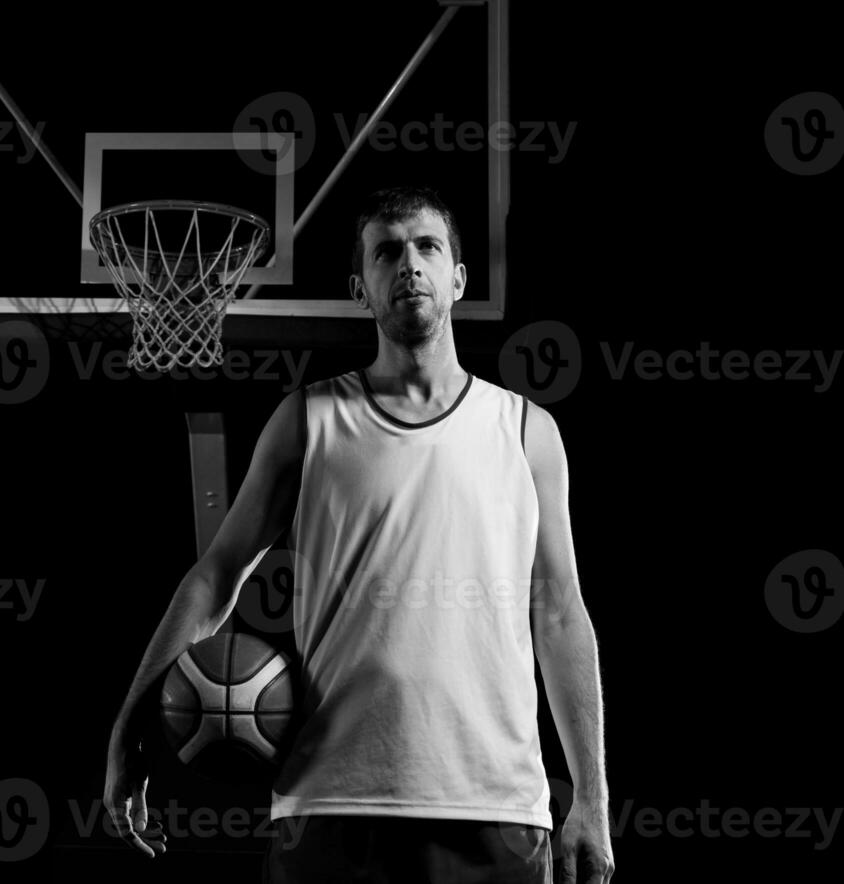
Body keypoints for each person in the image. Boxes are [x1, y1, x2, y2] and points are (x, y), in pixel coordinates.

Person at [102, 187, 615, 883]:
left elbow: (559, 615)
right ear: (360, 288)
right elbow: (216, 577)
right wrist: (130, 726)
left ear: (458, 279)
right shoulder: (307, 420)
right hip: (330, 801)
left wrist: (593, 795)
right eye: (388, 251)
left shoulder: (526, 432)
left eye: (428, 247)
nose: (410, 265)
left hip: (495, 809)